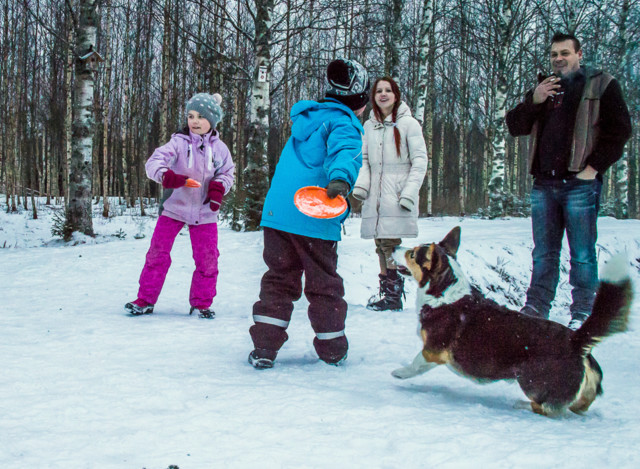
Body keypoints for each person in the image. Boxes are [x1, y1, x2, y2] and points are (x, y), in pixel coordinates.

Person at [248, 58, 369, 369]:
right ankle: (332, 349)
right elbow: (346, 152)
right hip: (314, 212)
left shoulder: (306, 119)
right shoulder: (345, 123)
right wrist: (340, 178)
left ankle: (264, 346)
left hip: (278, 213)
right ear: (359, 103)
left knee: (278, 278)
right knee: (323, 282)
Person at [506, 32, 631, 329]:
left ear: (579, 55)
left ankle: (584, 311)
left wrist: (593, 168)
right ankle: (536, 307)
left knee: (583, 253)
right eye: (554, 54)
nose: (559, 59)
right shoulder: (545, 89)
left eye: (565, 53)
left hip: (580, 185)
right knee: (544, 252)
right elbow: (515, 126)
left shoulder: (602, 85)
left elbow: (621, 131)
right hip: (544, 185)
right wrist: (534, 100)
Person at [125, 92, 235, 319]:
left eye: (201, 117)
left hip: (205, 212)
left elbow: (228, 173)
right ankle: (145, 300)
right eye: (191, 116)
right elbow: (153, 162)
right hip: (174, 208)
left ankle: (201, 304)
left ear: (212, 121)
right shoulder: (178, 142)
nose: (194, 121)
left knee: (207, 259)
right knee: (157, 253)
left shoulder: (220, 148)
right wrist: (167, 176)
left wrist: (218, 187)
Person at [352, 76, 428, 311]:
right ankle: (387, 291)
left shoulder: (409, 125)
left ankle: (394, 296)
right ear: (373, 97)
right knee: (379, 242)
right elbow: (364, 160)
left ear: (396, 95)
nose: (383, 94)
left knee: (390, 244)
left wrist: (409, 193)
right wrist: (362, 186)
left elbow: (420, 161)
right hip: (375, 194)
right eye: (378, 91)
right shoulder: (369, 126)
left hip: (396, 193)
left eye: (388, 90)